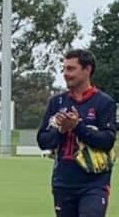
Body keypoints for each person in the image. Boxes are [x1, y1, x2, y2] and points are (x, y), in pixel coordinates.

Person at [37, 49, 117, 217]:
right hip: (63, 182)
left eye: (71, 69)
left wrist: (77, 126)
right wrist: (61, 130)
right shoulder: (57, 102)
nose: (66, 74)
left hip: (94, 183)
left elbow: (107, 141)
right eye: (64, 69)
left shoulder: (104, 102)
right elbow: (43, 141)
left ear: (87, 69)